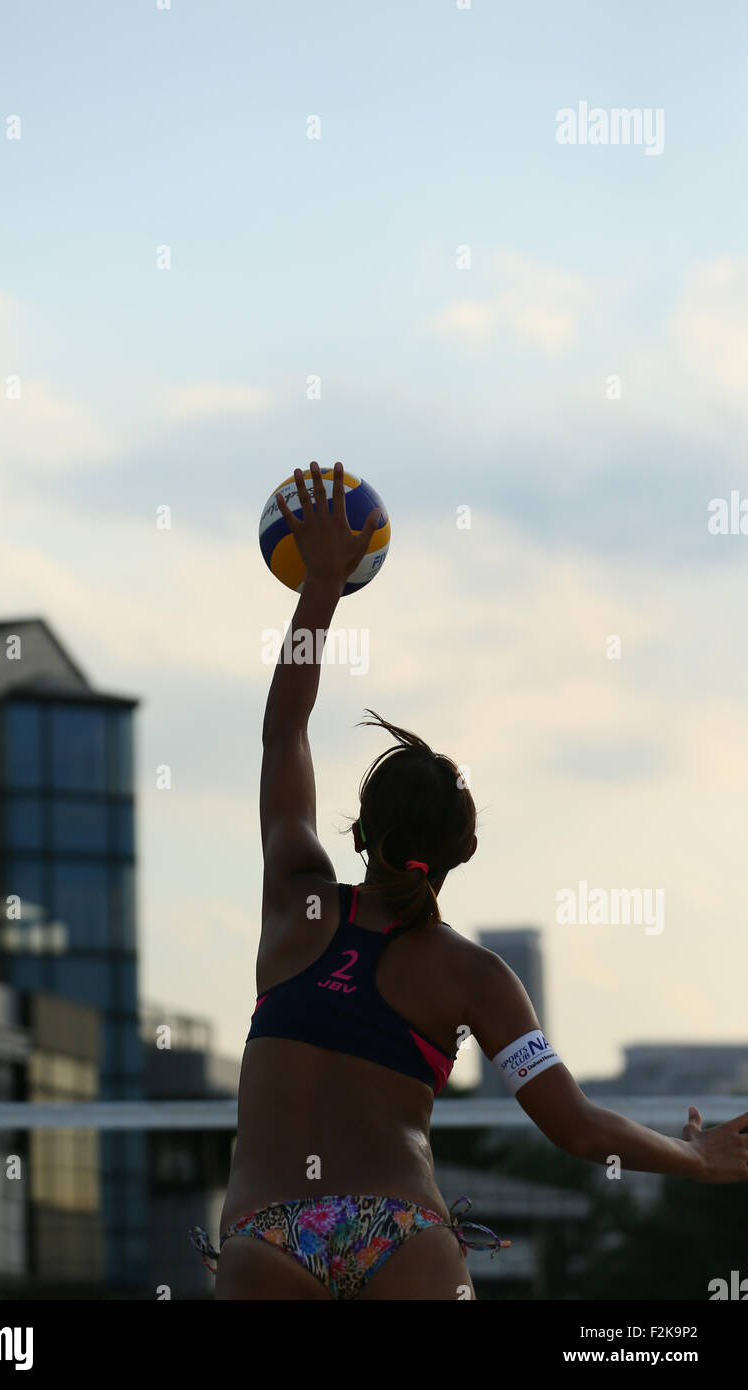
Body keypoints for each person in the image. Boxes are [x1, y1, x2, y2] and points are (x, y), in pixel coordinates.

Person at [189, 461, 748, 1301]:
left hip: (267, 1237)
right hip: (402, 1234)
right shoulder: (475, 977)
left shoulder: (299, 901)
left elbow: (284, 732)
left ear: (359, 830)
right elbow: (575, 1126)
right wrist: (695, 1159)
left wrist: (324, 587)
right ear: (467, 851)